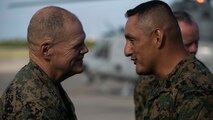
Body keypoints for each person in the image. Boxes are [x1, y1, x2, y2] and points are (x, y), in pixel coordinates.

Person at [124, 1, 213, 119]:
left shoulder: (196, 93)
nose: (127, 51)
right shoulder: (153, 83)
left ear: (157, 38)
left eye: (132, 40)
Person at [0, 6, 88, 119]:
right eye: (77, 46)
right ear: (46, 50)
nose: (85, 50)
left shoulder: (41, 81)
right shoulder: (37, 108)